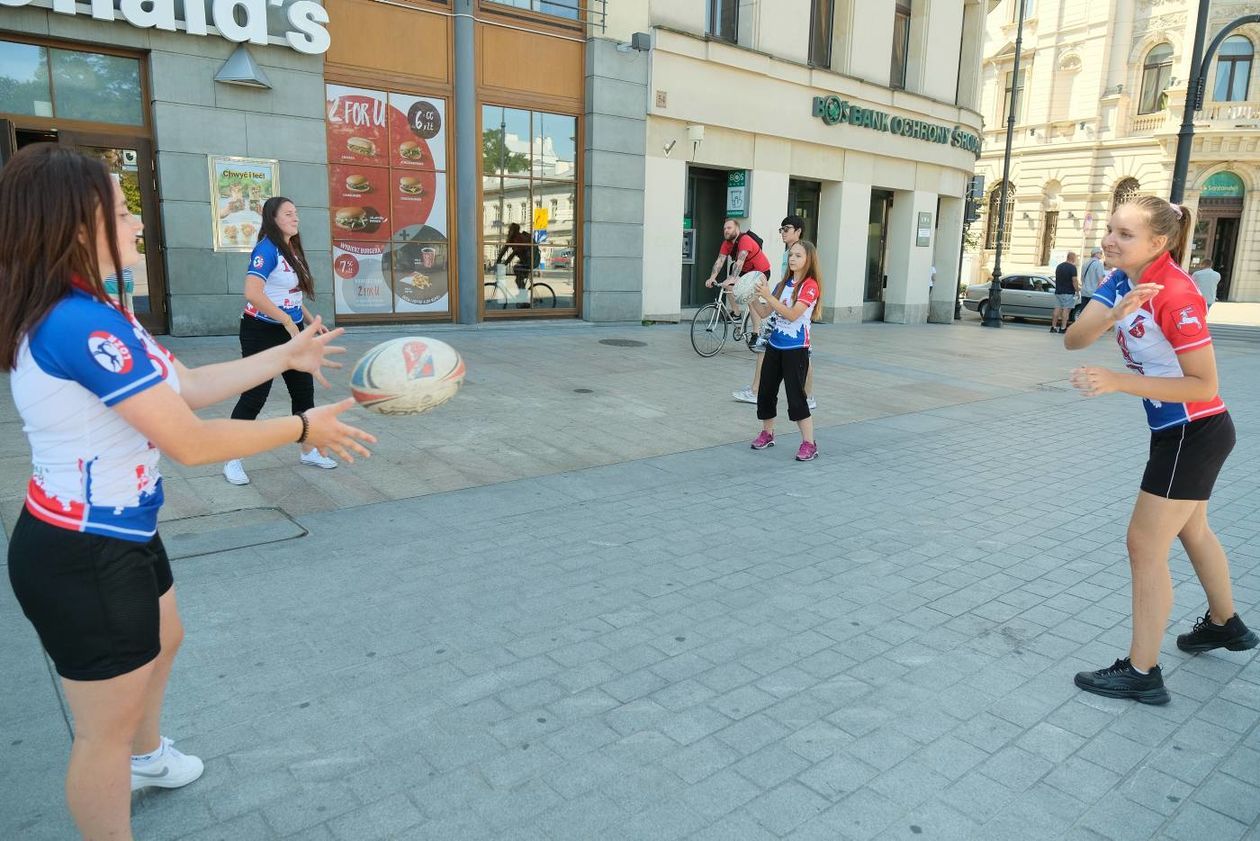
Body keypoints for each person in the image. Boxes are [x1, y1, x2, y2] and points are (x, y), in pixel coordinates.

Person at [0, 144, 375, 839]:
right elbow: (191, 441)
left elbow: (191, 387)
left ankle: (146, 757)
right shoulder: (77, 324)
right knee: (98, 734)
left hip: (124, 530)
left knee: (165, 637)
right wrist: (301, 428)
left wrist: (286, 353)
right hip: (81, 551)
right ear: (76, 226)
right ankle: (123, 771)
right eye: (120, 211)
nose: (137, 223)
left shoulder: (98, 308)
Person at [1065, 194, 1256, 705]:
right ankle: (1225, 623)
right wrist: (1112, 315)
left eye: (1125, 234)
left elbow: (1204, 385)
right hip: (1186, 434)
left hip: (1194, 433)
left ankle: (1142, 671)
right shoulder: (1121, 280)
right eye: (1110, 229)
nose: (1110, 240)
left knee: (1144, 545)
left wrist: (1118, 381)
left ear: (1158, 241)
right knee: (1193, 529)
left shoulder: (1175, 293)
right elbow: (1074, 339)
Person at [223, 197, 336, 485]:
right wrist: (287, 322)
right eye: (288, 214)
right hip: (261, 330)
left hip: (292, 329)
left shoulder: (291, 249)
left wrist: (308, 321)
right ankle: (231, 458)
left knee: (303, 391)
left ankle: (308, 449)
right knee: (254, 395)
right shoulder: (266, 249)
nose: (295, 218)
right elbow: (253, 292)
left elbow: (291, 294)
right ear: (273, 219)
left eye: (296, 213)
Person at [748, 240, 821, 462]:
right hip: (775, 345)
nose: (792, 258)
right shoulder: (782, 285)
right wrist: (749, 296)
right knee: (766, 392)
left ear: (809, 260)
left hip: (796, 349)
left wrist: (769, 296)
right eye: (791, 254)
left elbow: (792, 314)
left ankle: (809, 443)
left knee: (796, 398)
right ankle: (767, 433)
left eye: (798, 255)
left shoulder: (810, 286)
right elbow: (763, 312)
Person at [495, 222, 536, 304]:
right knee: (518, 279)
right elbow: (504, 249)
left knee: (517, 271)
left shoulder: (519, 238)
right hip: (525, 260)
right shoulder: (512, 238)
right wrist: (498, 260)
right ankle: (523, 297)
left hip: (531, 260)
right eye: (509, 230)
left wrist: (504, 264)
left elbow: (513, 253)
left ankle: (524, 298)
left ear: (514, 231)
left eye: (510, 230)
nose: (509, 231)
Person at [1051, 251, 1079, 333]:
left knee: (1057, 309)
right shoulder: (1072, 268)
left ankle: (1053, 327)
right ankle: (1063, 328)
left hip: (1058, 291)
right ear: (1073, 258)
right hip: (1068, 292)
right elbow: (1074, 280)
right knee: (1066, 310)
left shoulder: (1059, 266)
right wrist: (1077, 290)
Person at [1080, 247, 1105, 311]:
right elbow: (1100, 280)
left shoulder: (1085, 264)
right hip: (1093, 293)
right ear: (1096, 254)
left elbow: (1082, 279)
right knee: (1091, 313)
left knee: (1083, 312)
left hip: (1084, 292)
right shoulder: (1098, 264)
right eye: (1100, 253)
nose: (1101, 255)